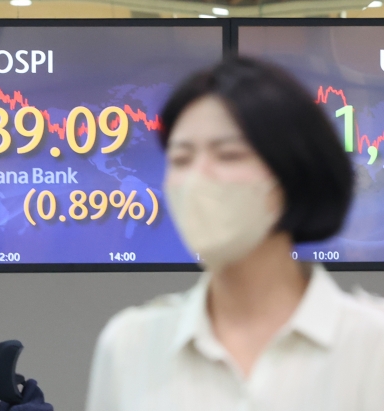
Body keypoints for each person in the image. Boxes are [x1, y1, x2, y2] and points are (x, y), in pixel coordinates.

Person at [85, 57, 384, 411]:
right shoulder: (130, 346)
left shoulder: (371, 344)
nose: (198, 178)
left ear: (292, 171)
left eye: (228, 155)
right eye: (181, 159)